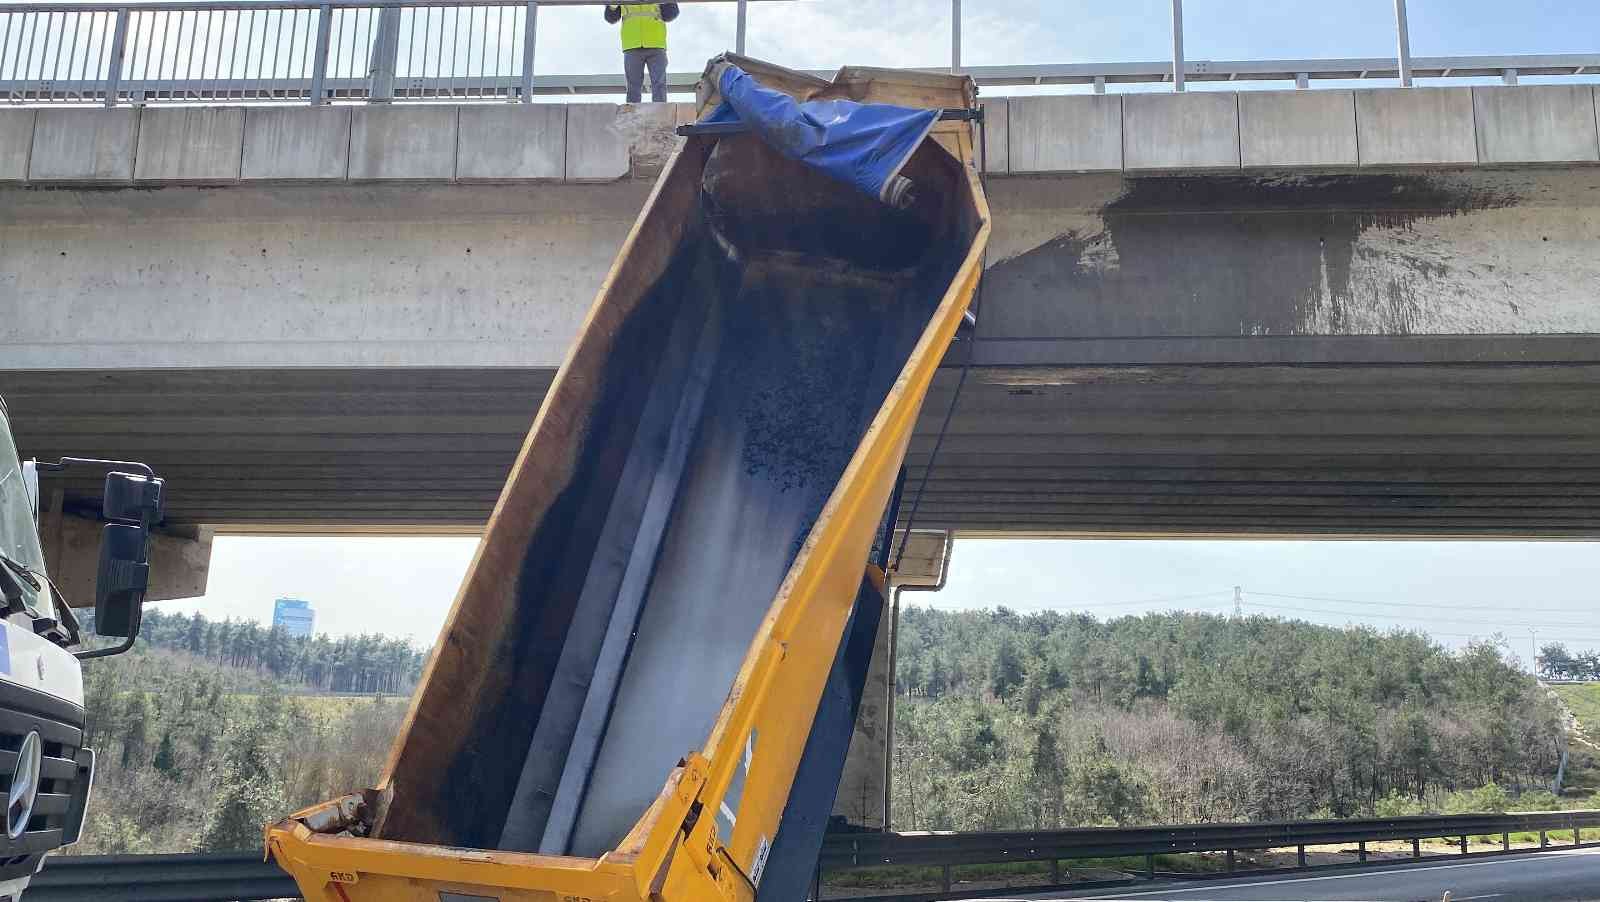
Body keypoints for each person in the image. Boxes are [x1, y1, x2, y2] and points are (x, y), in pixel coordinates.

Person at [604, 4, 680, 104]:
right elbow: (611, 18)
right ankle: (633, 116)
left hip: (655, 43)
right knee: (633, 87)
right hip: (632, 44)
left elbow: (671, 13)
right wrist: (612, 5)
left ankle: (660, 116)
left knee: (659, 84)